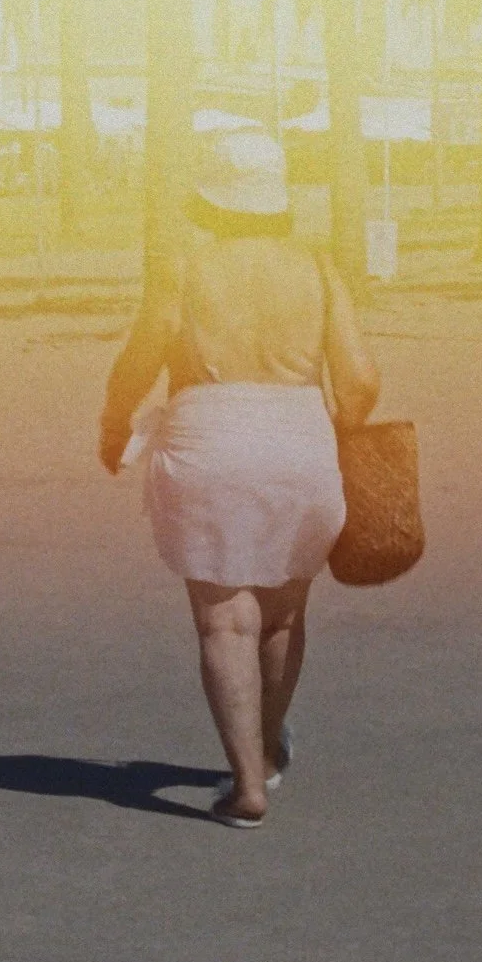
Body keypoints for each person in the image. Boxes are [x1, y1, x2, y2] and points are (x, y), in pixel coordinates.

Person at [98, 126, 379, 829]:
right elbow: (360, 382)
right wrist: (340, 432)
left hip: (209, 437)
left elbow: (141, 357)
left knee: (223, 617)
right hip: (297, 437)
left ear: (209, 201)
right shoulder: (316, 269)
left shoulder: (184, 270)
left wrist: (111, 421)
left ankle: (246, 783)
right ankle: (270, 754)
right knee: (283, 611)